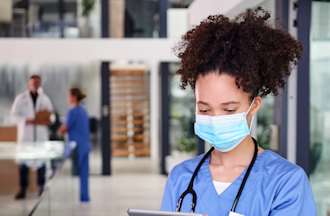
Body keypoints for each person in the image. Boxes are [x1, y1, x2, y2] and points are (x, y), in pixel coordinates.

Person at [161, 8, 317, 216]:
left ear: (254, 106)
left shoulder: (286, 182)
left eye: (229, 109)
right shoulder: (181, 178)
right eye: (204, 109)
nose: (215, 119)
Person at [11, 74, 53, 199]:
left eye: (37, 83)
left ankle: (41, 187)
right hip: (26, 136)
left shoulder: (45, 99)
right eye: (33, 83)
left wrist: (48, 120)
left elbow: (52, 116)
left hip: (40, 136)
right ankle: (23, 189)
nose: (35, 85)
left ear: (40, 84)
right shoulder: (20, 98)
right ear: (29, 84)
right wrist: (26, 120)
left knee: (41, 163)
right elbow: (13, 116)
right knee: (24, 164)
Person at [58, 88, 91, 203]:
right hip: (85, 145)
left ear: (74, 97)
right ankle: (84, 197)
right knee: (84, 174)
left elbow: (65, 128)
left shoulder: (72, 111)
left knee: (70, 171)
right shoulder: (83, 110)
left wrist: (59, 130)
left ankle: (76, 198)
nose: (68, 98)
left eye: (69, 96)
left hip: (76, 146)